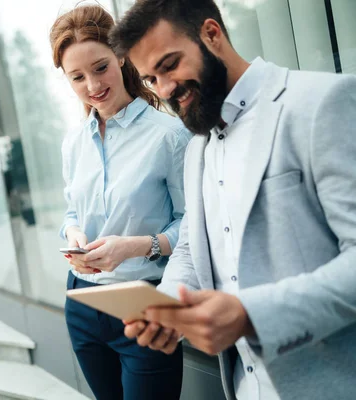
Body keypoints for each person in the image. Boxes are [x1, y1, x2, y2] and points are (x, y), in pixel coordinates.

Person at [108, 1, 356, 399]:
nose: (165, 89)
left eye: (170, 65)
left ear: (211, 33)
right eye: (151, 79)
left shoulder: (321, 103)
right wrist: (168, 308)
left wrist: (249, 315)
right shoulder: (195, 148)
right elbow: (191, 248)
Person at [50, 5, 192, 400]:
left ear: (121, 57)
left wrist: (139, 246)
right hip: (81, 304)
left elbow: (196, 226)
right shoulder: (73, 143)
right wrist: (73, 232)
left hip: (143, 306)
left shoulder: (170, 136)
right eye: (77, 77)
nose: (92, 84)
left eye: (100, 68)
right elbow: (72, 211)